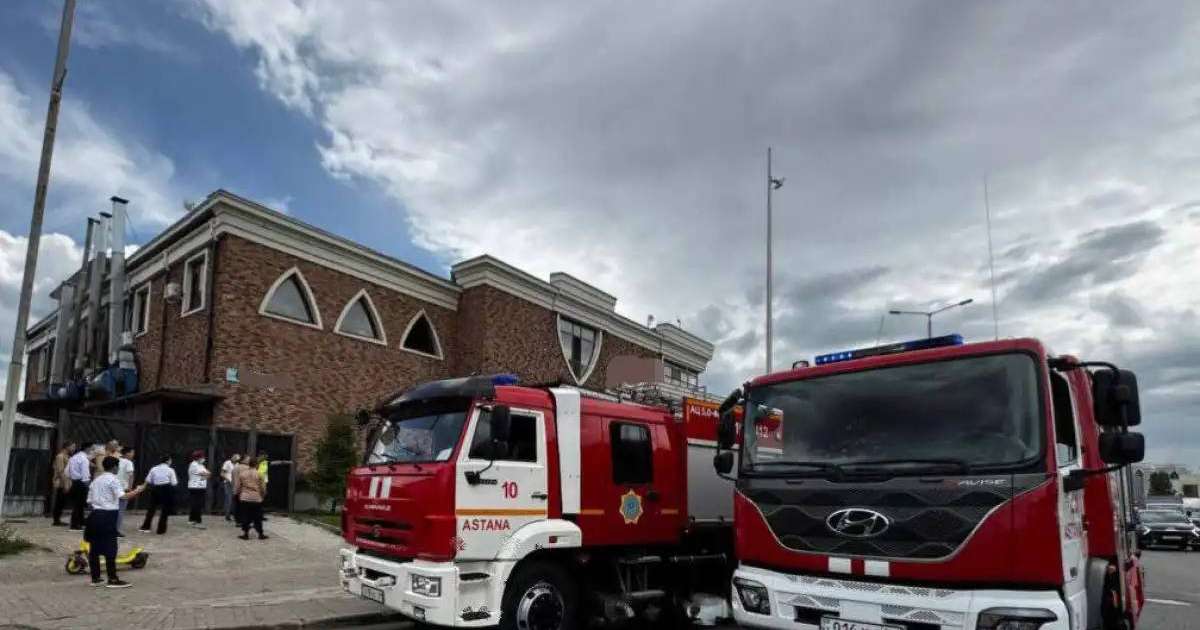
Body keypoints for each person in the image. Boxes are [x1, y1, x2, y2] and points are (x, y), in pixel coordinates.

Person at [85, 456, 147, 588]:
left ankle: (96, 578)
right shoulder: (114, 480)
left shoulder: (96, 480)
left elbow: (89, 501)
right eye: (118, 466)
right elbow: (123, 496)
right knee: (110, 548)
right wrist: (138, 490)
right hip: (108, 515)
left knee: (94, 548)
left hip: (94, 515)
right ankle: (112, 579)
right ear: (114, 467)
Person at [139, 455, 178, 535]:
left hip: (156, 488)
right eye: (170, 460)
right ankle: (161, 530)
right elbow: (174, 483)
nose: (171, 462)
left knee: (151, 508)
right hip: (166, 488)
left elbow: (148, 480)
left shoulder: (154, 468)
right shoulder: (170, 470)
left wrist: (144, 486)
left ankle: (146, 527)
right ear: (167, 461)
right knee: (165, 510)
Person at [233, 456, 267, 540]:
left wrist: (237, 494)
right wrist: (263, 495)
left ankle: (245, 534)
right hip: (256, 497)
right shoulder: (259, 474)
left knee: (245, 515)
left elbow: (238, 486)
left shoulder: (243, 474)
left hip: (245, 497)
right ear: (256, 464)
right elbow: (263, 487)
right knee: (257, 516)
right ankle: (260, 533)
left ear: (249, 464)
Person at [66, 442, 93, 530]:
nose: (92, 451)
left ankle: (81, 521)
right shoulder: (84, 459)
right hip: (82, 483)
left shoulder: (74, 457)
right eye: (92, 449)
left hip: (75, 482)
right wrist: (88, 486)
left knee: (79, 504)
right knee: (79, 505)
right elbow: (85, 475)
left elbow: (67, 471)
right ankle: (75, 524)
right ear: (87, 448)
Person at [51, 442, 76, 526]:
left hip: (67, 481)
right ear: (67, 447)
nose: (74, 449)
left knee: (62, 501)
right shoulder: (60, 456)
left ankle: (58, 519)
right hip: (62, 482)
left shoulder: (67, 456)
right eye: (72, 446)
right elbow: (61, 471)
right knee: (59, 501)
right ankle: (56, 520)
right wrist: (65, 484)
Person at [187, 450, 211, 528]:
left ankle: (192, 519)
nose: (204, 458)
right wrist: (205, 475)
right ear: (198, 457)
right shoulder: (194, 465)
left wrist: (205, 475)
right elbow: (205, 474)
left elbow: (209, 474)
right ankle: (197, 520)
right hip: (195, 487)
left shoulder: (201, 465)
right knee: (196, 504)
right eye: (202, 457)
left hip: (201, 486)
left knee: (197, 504)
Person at [115, 447, 136, 536]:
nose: (133, 455)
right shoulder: (128, 462)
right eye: (132, 452)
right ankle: (116, 530)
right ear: (127, 453)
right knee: (120, 510)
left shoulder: (116, 460)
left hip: (114, 487)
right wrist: (130, 488)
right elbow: (131, 476)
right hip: (123, 489)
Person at [220, 454, 240, 522]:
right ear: (232, 457)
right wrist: (228, 479)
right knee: (229, 499)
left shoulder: (237, 464)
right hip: (228, 483)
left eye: (237, 459)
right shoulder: (227, 463)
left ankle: (234, 515)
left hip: (235, 483)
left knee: (235, 499)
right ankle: (227, 515)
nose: (235, 459)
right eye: (234, 457)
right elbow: (222, 473)